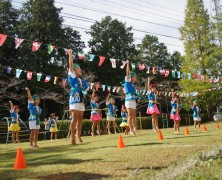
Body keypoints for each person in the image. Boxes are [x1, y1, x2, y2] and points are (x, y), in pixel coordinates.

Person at [68, 49, 89, 145]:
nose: (80, 70)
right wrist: (70, 55)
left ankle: (78, 134)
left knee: (80, 117)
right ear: (74, 70)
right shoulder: (72, 76)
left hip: (81, 99)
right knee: (74, 117)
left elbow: (86, 88)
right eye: (78, 68)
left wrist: (85, 90)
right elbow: (71, 66)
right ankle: (72, 136)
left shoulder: (82, 80)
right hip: (74, 98)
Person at [124, 60, 138, 136]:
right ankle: (131, 130)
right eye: (135, 77)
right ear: (131, 77)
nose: (136, 79)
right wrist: (128, 64)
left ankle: (135, 128)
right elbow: (127, 72)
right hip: (128, 100)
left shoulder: (132, 85)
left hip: (133, 100)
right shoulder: (127, 81)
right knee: (130, 115)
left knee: (134, 115)